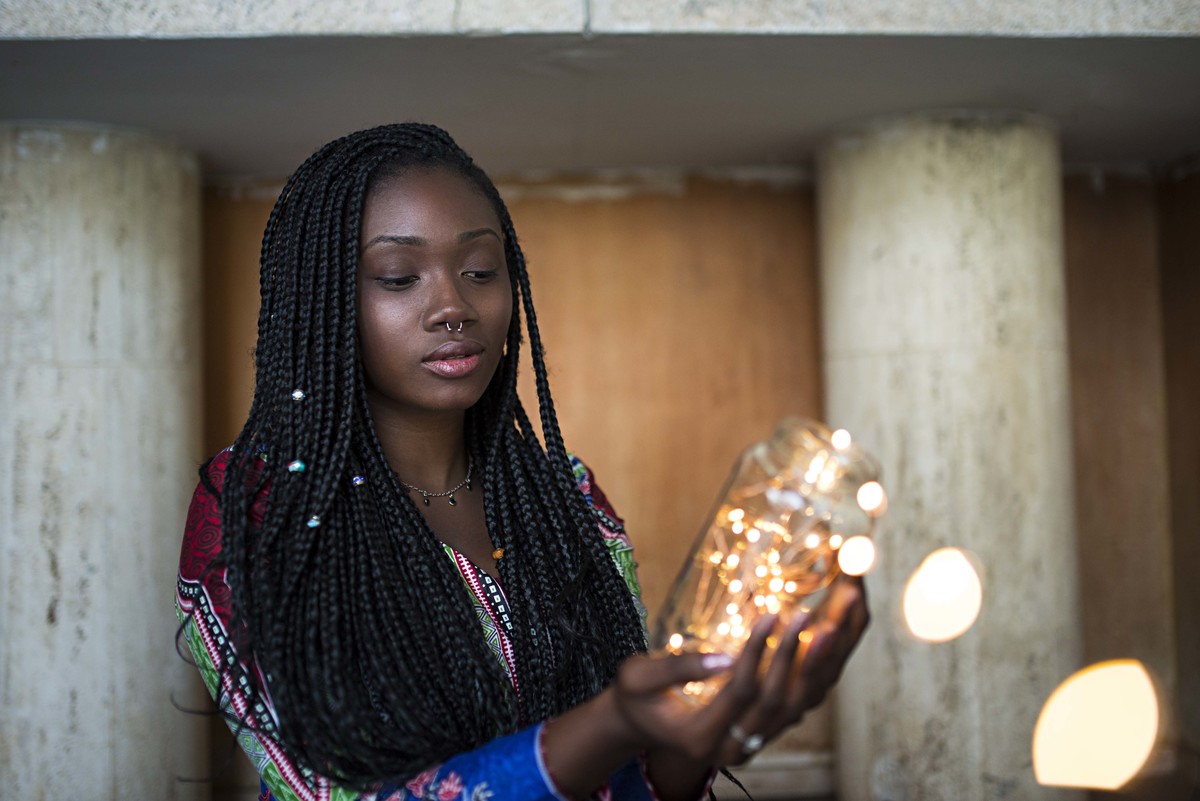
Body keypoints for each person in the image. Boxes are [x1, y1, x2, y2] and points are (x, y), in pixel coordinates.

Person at [176, 122, 869, 801]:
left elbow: (631, 784)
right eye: (397, 276)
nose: (453, 305)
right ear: (320, 303)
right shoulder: (258, 510)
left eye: (480, 270)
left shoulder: (566, 499)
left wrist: (701, 733)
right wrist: (612, 720)